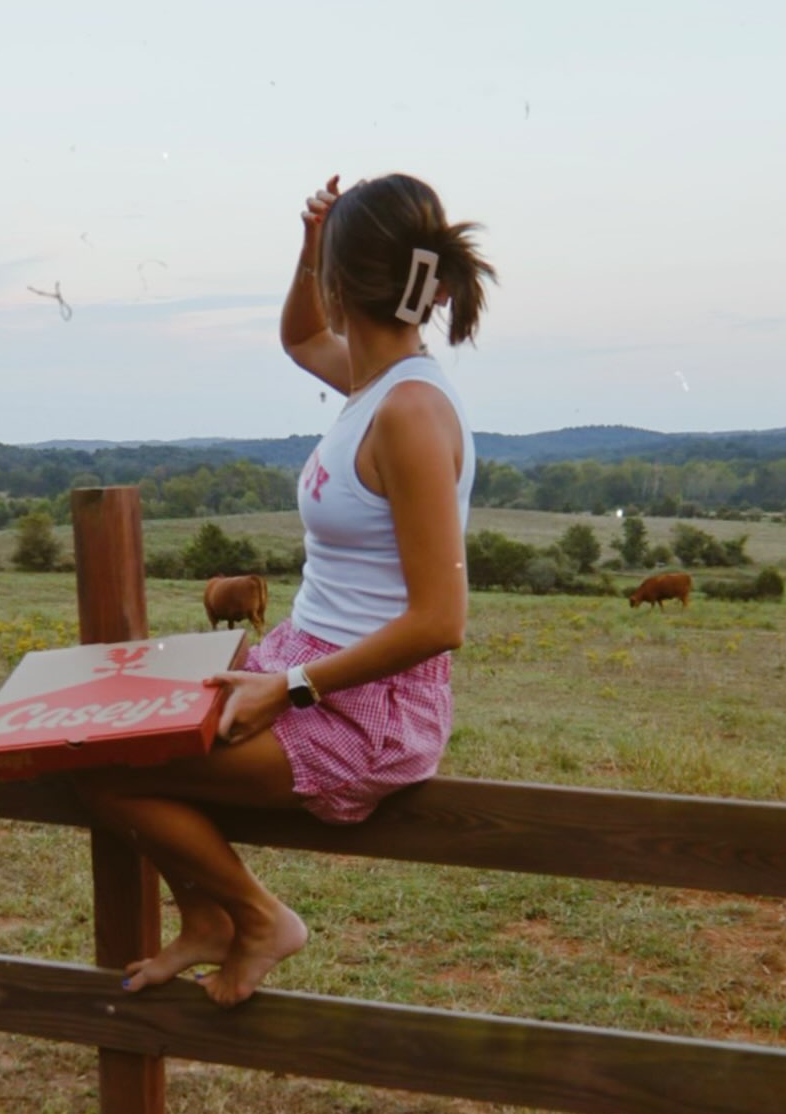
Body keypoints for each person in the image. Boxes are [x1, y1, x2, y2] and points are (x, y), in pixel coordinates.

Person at [78, 172, 495, 1006]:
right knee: (115, 739)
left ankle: (258, 918)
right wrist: (311, 246)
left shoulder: (409, 413)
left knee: (111, 771)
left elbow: (441, 621)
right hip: (305, 671)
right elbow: (302, 337)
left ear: (344, 284)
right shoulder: (374, 383)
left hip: (366, 707)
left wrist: (291, 687)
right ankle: (208, 919)